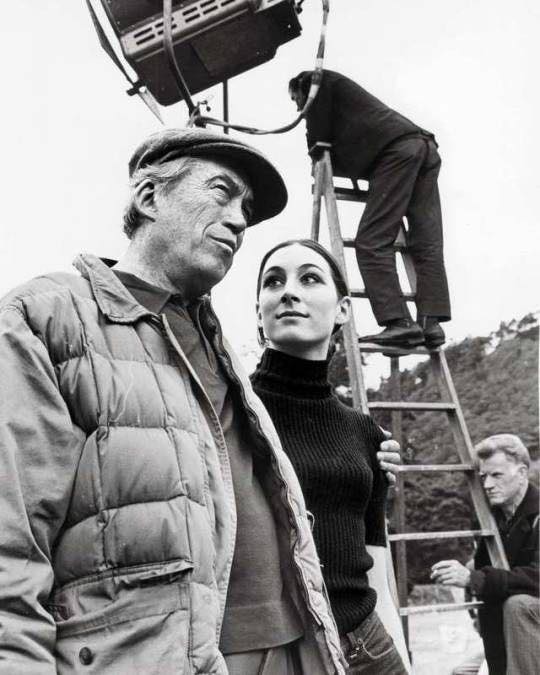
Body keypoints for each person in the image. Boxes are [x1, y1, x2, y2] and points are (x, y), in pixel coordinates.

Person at [0, 128, 349, 674]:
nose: (239, 220)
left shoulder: (217, 342)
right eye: (221, 191)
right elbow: (12, 543)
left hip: (292, 646)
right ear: (149, 197)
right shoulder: (47, 316)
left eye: (246, 208)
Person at [252, 238, 410, 673]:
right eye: (273, 282)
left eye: (309, 279)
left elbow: (375, 573)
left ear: (342, 310)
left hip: (370, 648)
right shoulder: (231, 412)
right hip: (282, 657)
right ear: (259, 312)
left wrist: (401, 658)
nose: (289, 291)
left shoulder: (365, 433)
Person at [289, 69, 451, 349]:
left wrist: (315, 156)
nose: (299, 110)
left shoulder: (316, 82)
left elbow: (317, 136)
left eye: (297, 101)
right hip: (423, 147)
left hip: (398, 151)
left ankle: (399, 323)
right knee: (426, 241)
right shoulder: (347, 105)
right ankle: (431, 324)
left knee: (371, 241)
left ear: (303, 89)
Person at [431, 434, 539, 675]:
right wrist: (465, 574)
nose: (488, 484)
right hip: (508, 634)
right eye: (483, 477)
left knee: (517, 605)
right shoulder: (492, 520)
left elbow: (537, 577)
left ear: (522, 473)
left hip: (529, 621)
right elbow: (485, 573)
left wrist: (474, 579)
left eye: (496, 475)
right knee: (461, 672)